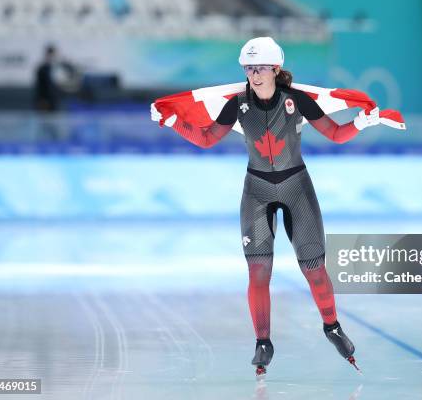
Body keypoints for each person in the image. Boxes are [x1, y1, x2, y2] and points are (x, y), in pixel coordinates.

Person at [152, 37, 381, 376]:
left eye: (259, 68)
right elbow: (205, 138)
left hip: (296, 187)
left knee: (314, 268)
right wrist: (171, 120)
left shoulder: (296, 100)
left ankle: (332, 327)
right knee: (258, 271)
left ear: (275, 69)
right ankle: (263, 342)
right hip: (257, 190)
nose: (253, 75)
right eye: (248, 69)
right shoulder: (237, 104)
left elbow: (334, 134)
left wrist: (362, 122)